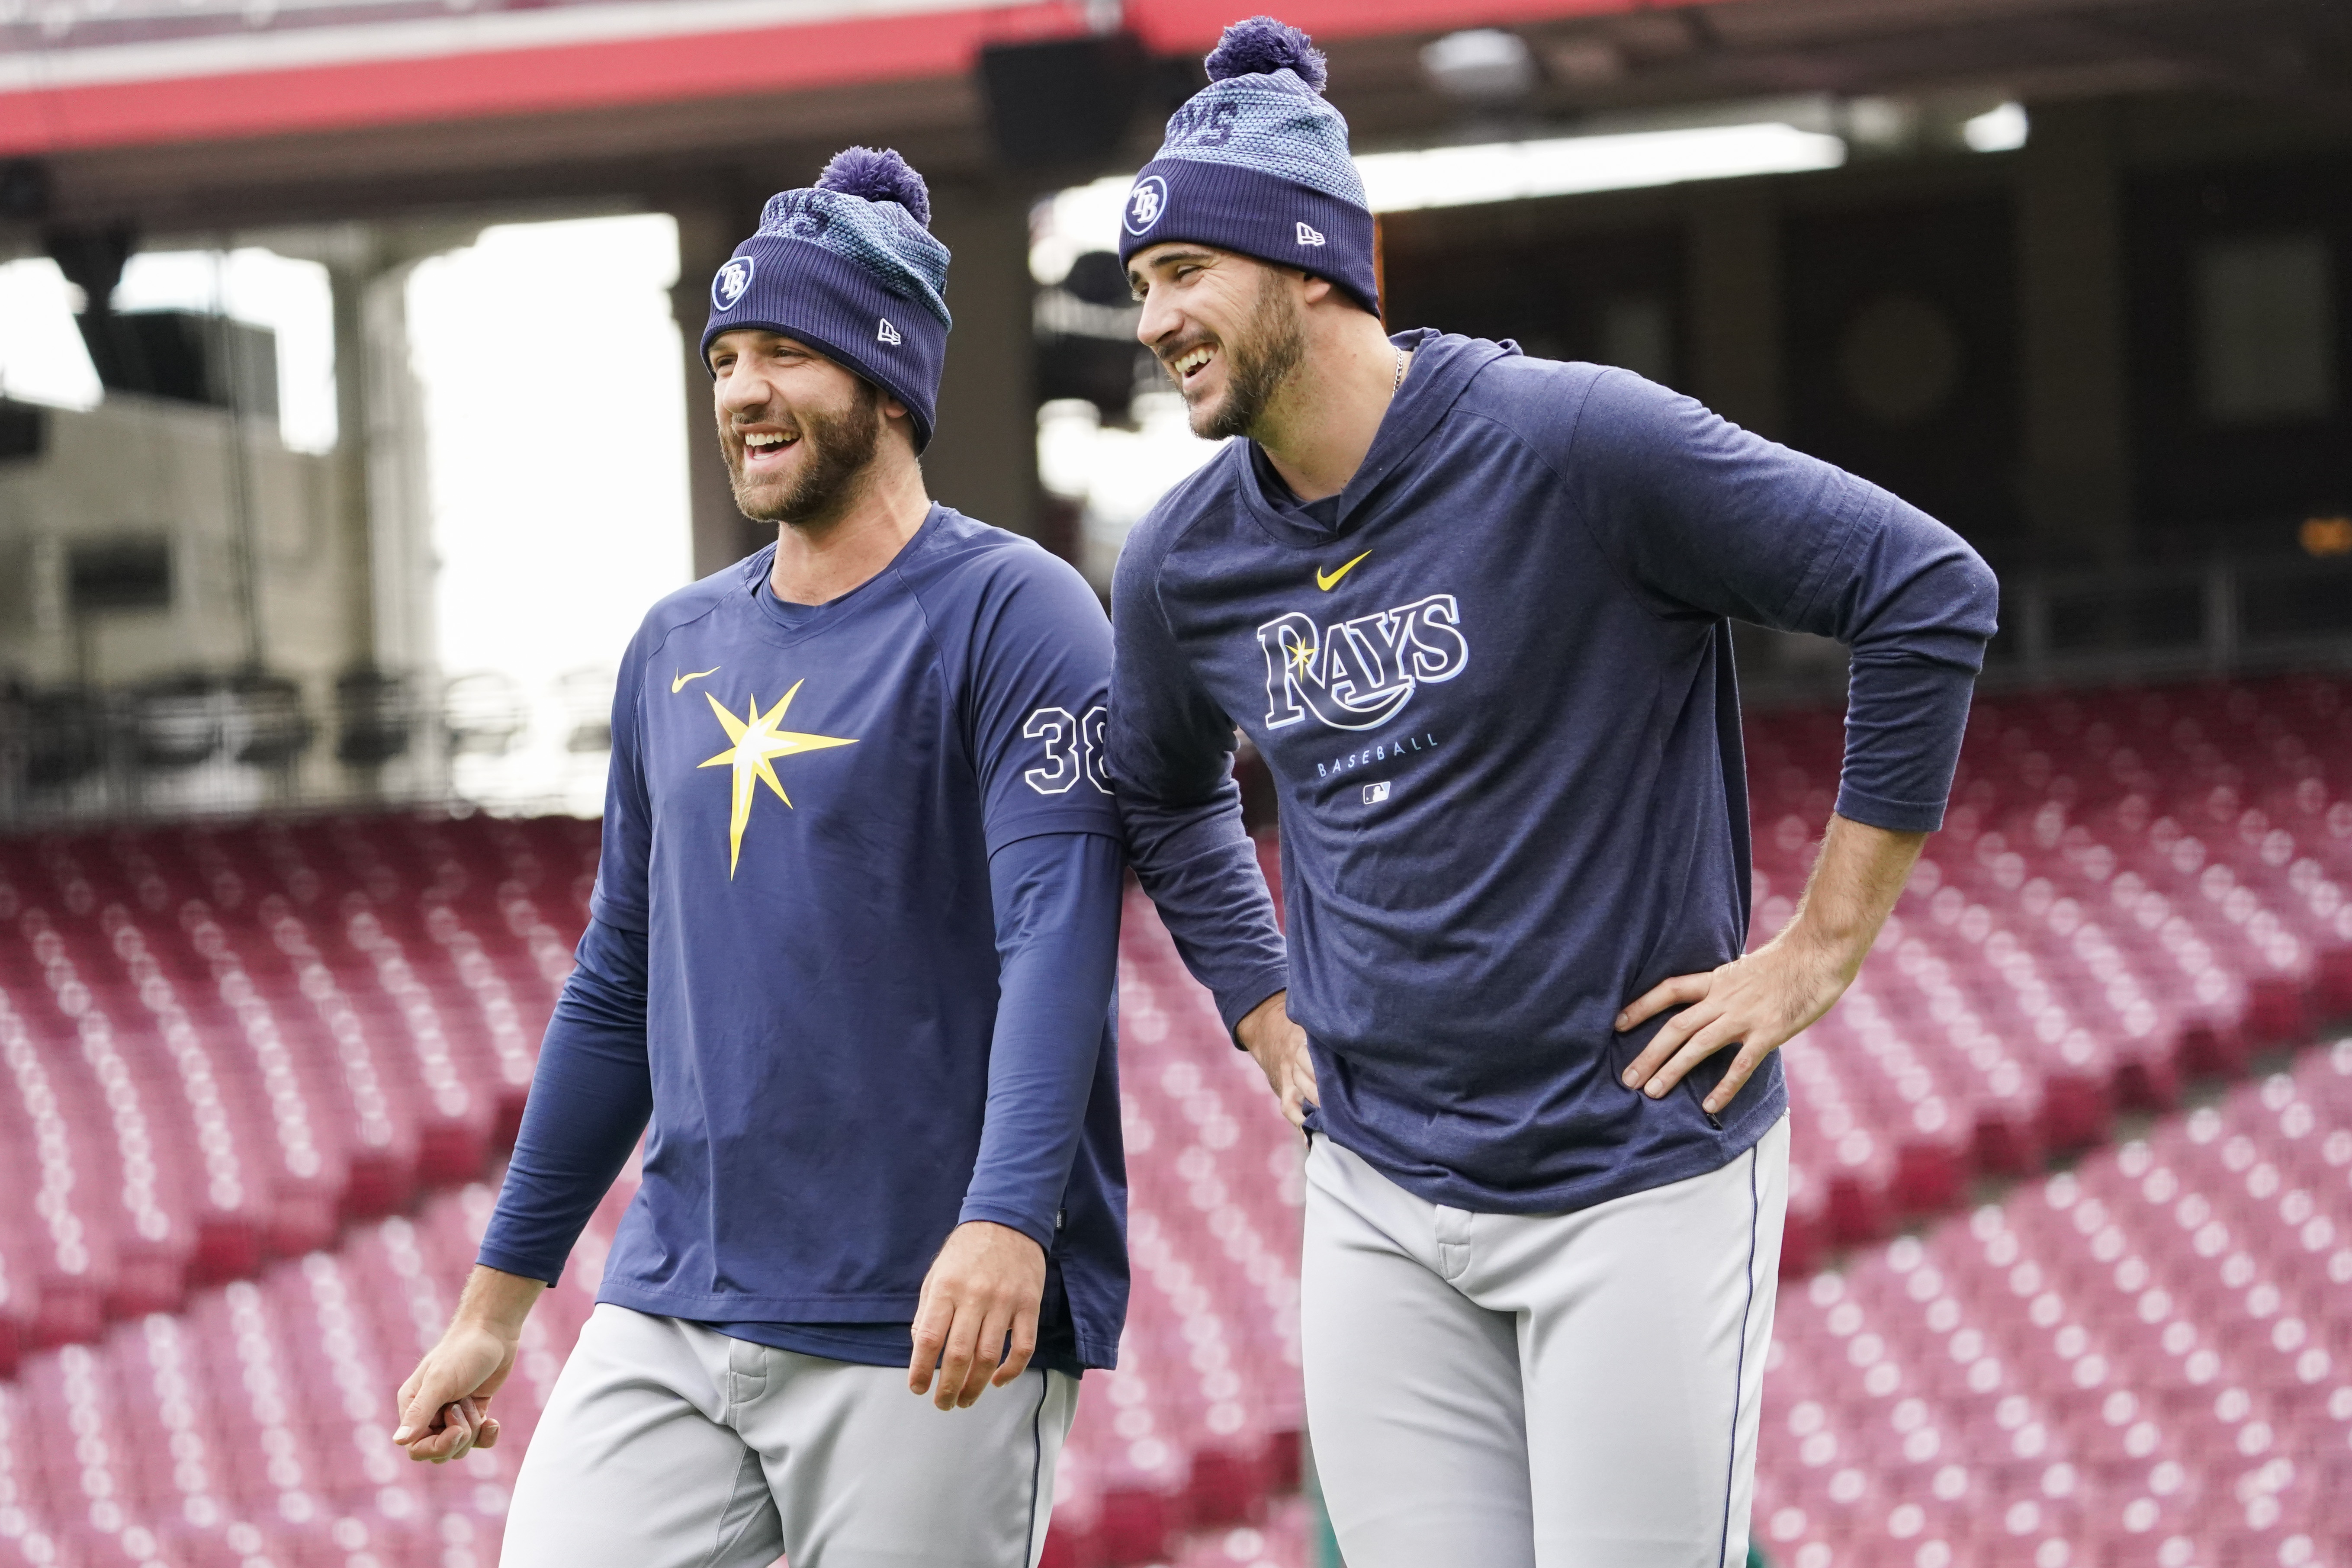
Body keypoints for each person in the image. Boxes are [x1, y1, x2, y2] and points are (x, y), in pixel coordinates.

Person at [1108, 18, 2002, 1568]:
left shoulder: (1571, 440)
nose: (1153, 319)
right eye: (1136, 288)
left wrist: (1818, 952)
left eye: (1183, 270)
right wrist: (1258, 999)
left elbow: (1922, 590)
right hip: (1381, 1188)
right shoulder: (1182, 563)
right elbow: (1169, 797)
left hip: (1632, 1172)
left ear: (1306, 262)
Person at [388, 148, 1133, 1568]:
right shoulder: (674, 643)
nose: (740, 389)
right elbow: (617, 986)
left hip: (925, 1315)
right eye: (725, 356)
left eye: (788, 352)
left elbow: (1061, 938)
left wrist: (1006, 1222)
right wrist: (496, 1309)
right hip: (672, 1305)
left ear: (888, 380)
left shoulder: (1016, 612)